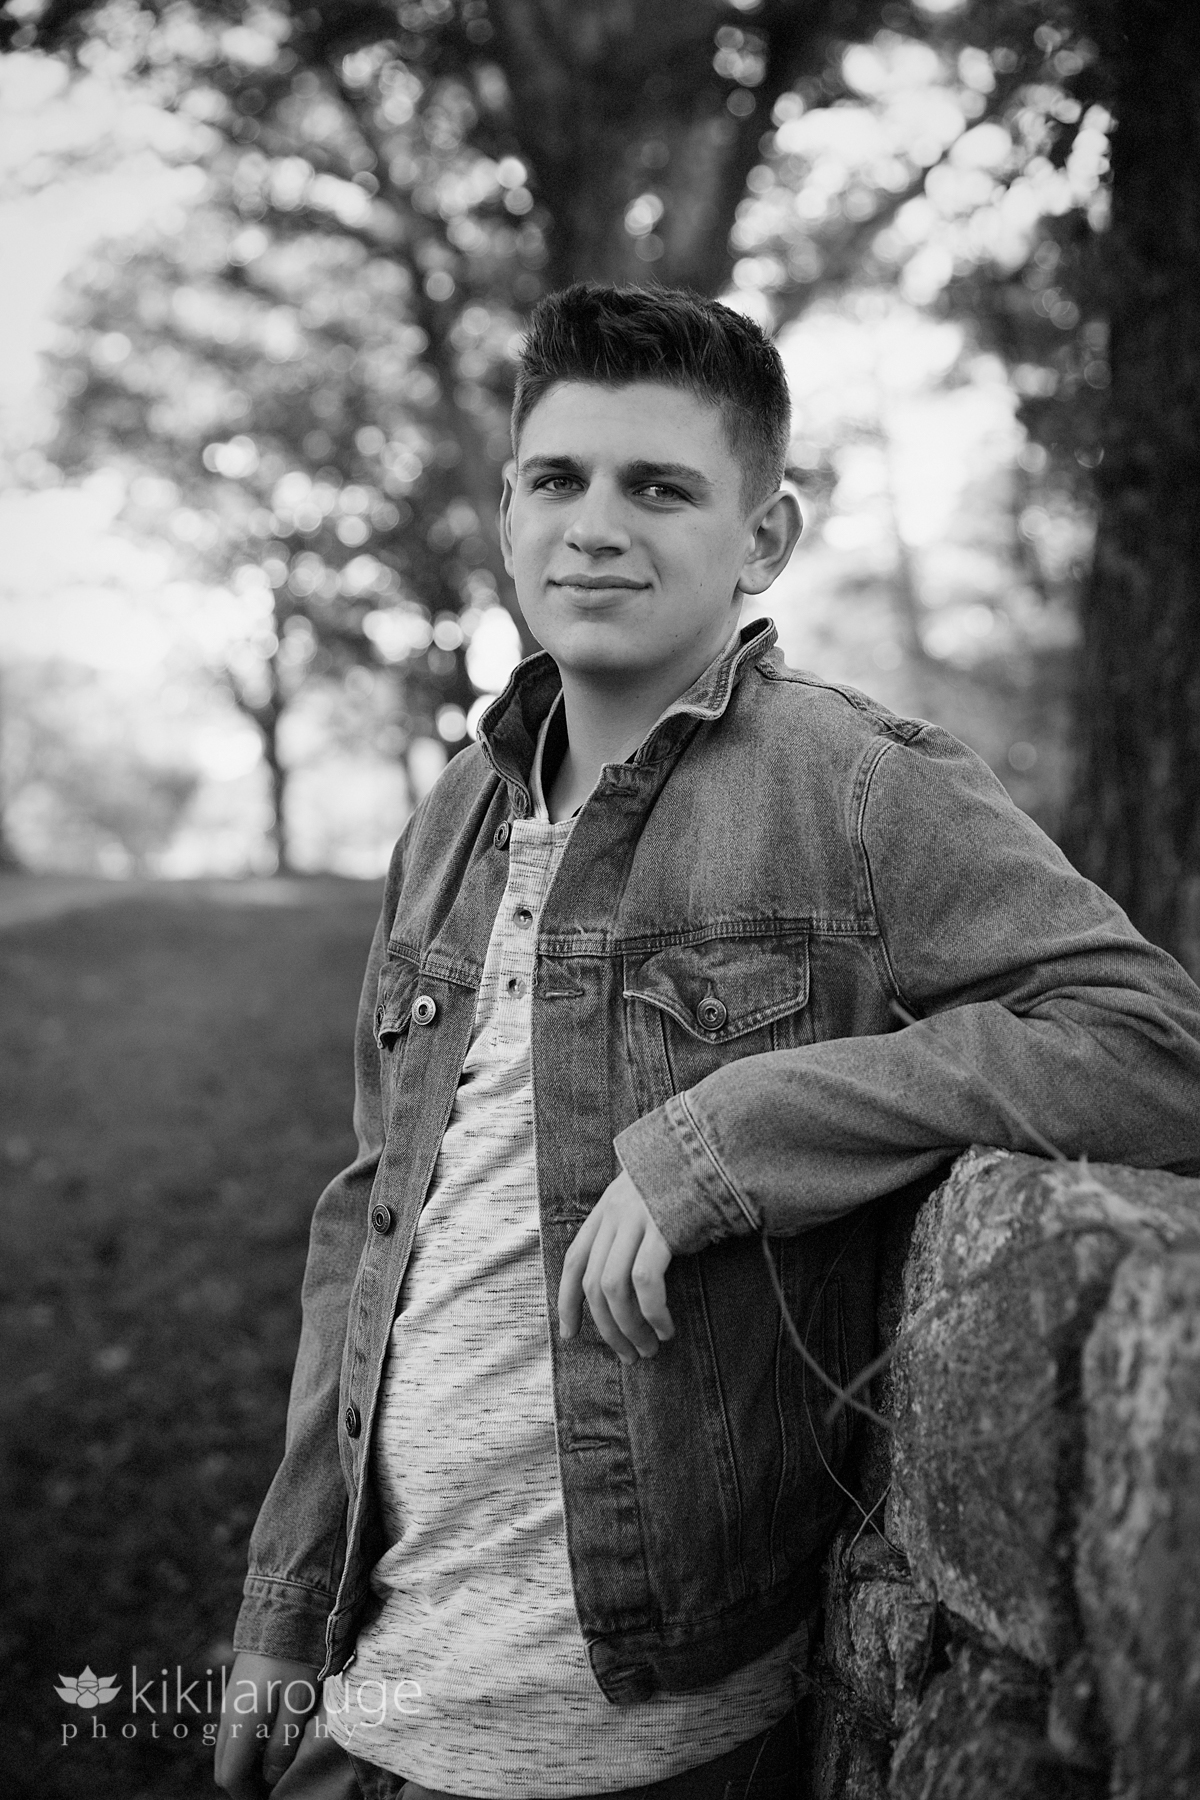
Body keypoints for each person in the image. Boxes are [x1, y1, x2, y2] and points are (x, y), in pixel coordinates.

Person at [215, 284, 1200, 1800]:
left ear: (764, 537)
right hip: (372, 1693)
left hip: (636, 1730)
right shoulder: (450, 819)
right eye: (558, 480)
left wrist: (735, 1137)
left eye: (659, 486)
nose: (595, 525)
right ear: (508, 511)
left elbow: (1151, 1042)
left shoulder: (859, 786)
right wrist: (283, 1610)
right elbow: (367, 1214)